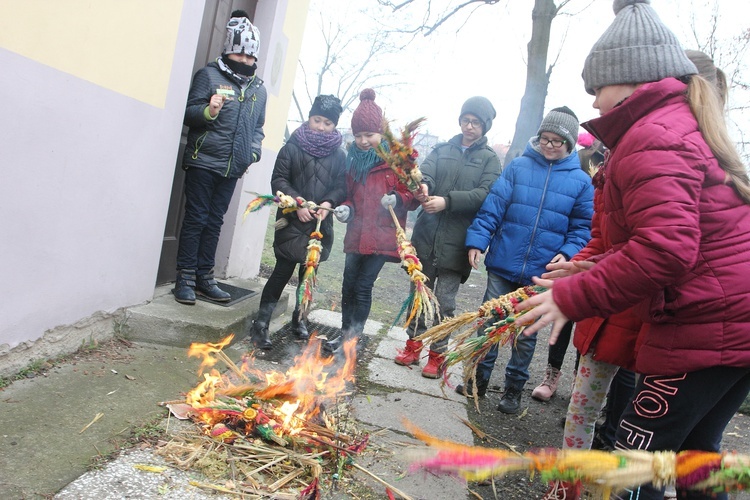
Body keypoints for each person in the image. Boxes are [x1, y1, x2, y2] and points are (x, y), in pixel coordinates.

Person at [517, 2, 750, 499]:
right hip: (733, 325)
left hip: (704, 328)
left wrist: (570, 299)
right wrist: (592, 266)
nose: (595, 104)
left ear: (629, 78)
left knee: (638, 463)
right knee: (697, 461)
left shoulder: (652, 136)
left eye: (597, 88)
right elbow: (681, 238)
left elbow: (666, 251)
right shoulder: (677, 127)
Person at [459, 107, 594, 414]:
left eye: (557, 141)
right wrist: (479, 241)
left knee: (525, 333)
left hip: (542, 272)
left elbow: (583, 228)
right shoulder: (518, 167)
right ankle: (476, 380)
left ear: (570, 144)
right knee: (490, 324)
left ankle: (513, 389)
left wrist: (569, 252)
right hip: (504, 262)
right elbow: (493, 207)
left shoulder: (581, 182)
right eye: (545, 138)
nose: (549, 145)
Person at [393, 97, 501, 378]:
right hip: (426, 237)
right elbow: (424, 172)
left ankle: (438, 355)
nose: (469, 126)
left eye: (476, 122)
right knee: (418, 295)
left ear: (485, 126)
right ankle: (412, 346)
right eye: (466, 120)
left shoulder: (489, 159)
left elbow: (485, 194)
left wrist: (447, 202)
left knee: (445, 302)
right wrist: (423, 186)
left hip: (457, 242)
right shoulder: (442, 150)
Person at [173, 10, 266, 305]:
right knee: (196, 219)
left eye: (252, 57)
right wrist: (209, 111)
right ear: (229, 50)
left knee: (215, 222)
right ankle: (184, 278)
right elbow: (189, 113)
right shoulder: (208, 76)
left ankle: (205, 277)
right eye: (241, 54)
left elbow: (258, 128)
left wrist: (252, 153)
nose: (247, 61)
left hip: (232, 168)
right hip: (203, 162)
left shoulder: (258, 89)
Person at [327, 89, 420, 353]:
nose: (364, 140)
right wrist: (345, 209)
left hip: (383, 237)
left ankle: (353, 339)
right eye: (358, 135)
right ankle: (344, 334)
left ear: (381, 133)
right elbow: (348, 196)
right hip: (356, 234)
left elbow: (412, 195)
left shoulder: (397, 160)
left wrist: (397, 199)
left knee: (363, 286)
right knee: (348, 284)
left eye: (369, 134)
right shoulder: (352, 162)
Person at [249, 96, 346, 349]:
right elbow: (279, 180)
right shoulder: (292, 147)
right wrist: (297, 205)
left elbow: (341, 186)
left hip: (318, 225)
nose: (321, 126)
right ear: (309, 118)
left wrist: (327, 203)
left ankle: (300, 319)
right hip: (292, 221)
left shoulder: (339, 154)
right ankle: (261, 323)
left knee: (308, 276)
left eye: (327, 123)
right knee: (281, 273)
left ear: (334, 125)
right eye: (317, 120)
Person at [529, 133, 605, 403]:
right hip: (582, 249)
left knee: (589, 326)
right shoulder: (583, 160)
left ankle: (578, 380)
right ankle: (551, 374)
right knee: (564, 316)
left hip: (602, 254)